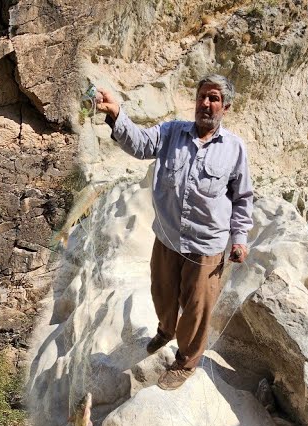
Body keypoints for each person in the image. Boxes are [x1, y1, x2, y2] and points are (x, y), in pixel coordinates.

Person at [95, 74, 253, 390]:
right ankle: (166, 330)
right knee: (162, 293)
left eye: (214, 98)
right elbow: (140, 144)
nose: (206, 104)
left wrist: (239, 239)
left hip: (206, 246)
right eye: (202, 97)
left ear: (226, 106)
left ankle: (185, 362)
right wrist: (116, 114)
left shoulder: (235, 149)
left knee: (196, 309)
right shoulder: (171, 133)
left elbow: (242, 197)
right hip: (168, 238)